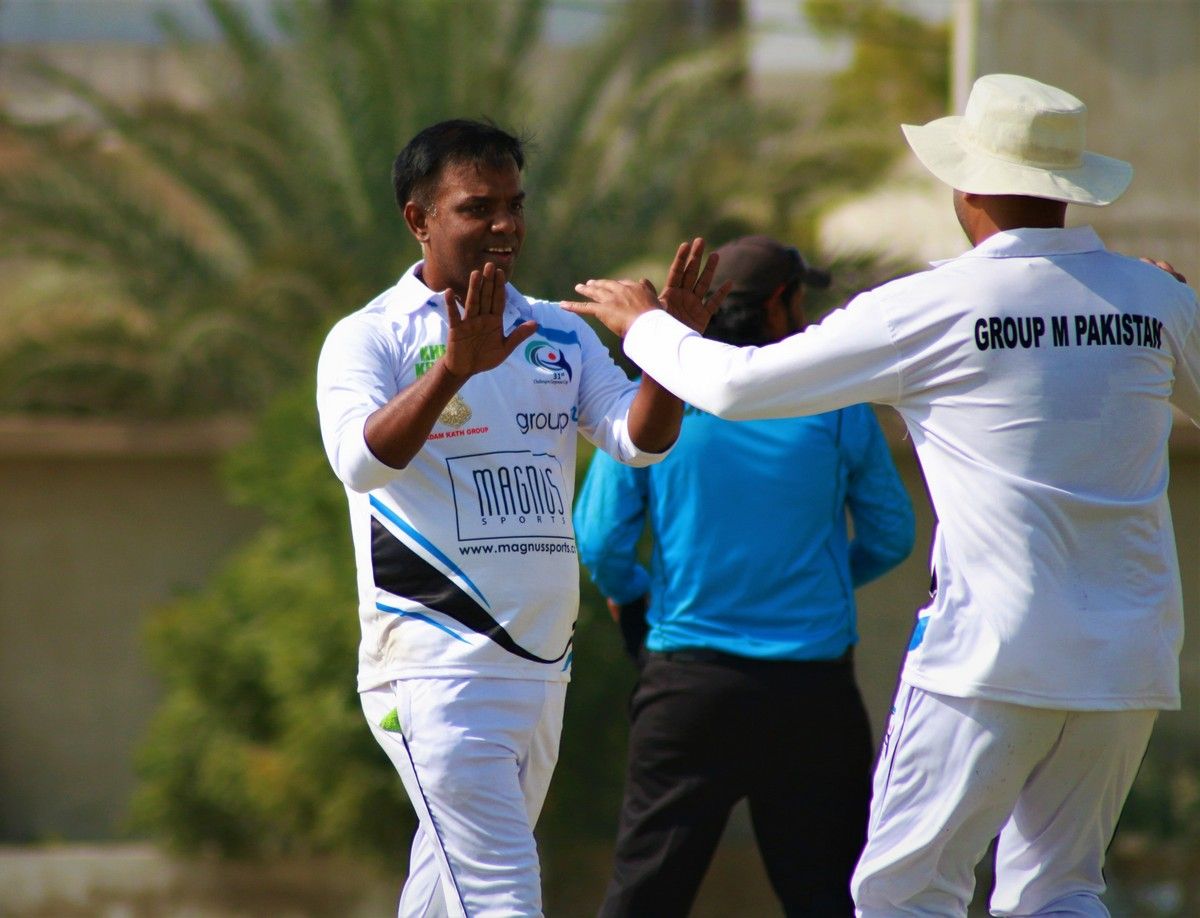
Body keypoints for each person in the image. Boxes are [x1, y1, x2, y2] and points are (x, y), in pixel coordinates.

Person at [564, 74, 1200, 916]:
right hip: (1130, 651)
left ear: (967, 188)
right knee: (1062, 887)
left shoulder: (928, 305)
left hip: (986, 655)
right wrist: (1175, 305)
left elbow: (736, 386)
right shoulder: (1154, 298)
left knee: (903, 894)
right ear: (1069, 187)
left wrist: (646, 325)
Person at [315, 119, 726, 918]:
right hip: (436, 667)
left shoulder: (558, 329)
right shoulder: (370, 336)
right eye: (478, 208)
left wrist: (667, 350)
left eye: (515, 205)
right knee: (503, 894)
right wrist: (451, 372)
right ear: (419, 219)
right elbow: (360, 462)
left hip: (540, 665)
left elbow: (638, 440)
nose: (505, 225)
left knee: (447, 895)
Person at [572, 235, 916, 917]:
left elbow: (602, 539)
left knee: (643, 900)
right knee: (830, 900)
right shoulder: (835, 403)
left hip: (688, 690)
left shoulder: (658, 399)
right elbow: (891, 535)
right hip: (813, 696)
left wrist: (634, 599)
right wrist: (816, 586)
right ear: (779, 304)